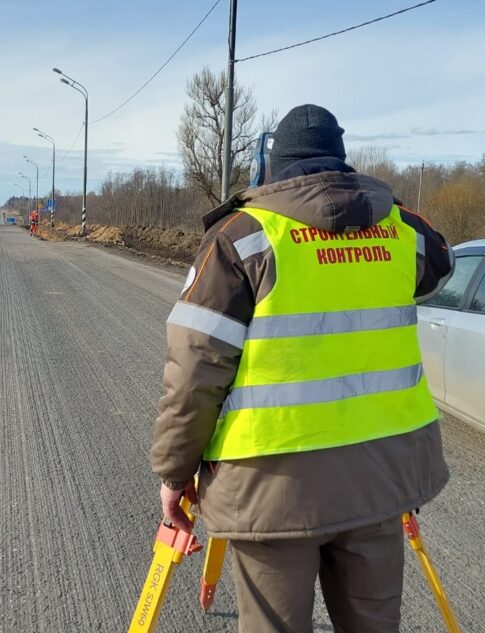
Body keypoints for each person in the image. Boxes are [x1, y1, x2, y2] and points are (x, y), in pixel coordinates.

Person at [150, 104, 454, 633]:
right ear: (343, 162)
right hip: (379, 484)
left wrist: (175, 472)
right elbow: (441, 263)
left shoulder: (242, 236)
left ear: (273, 164)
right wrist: (384, 203)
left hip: (272, 492)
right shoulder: (398, 231)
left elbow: (195, 369)